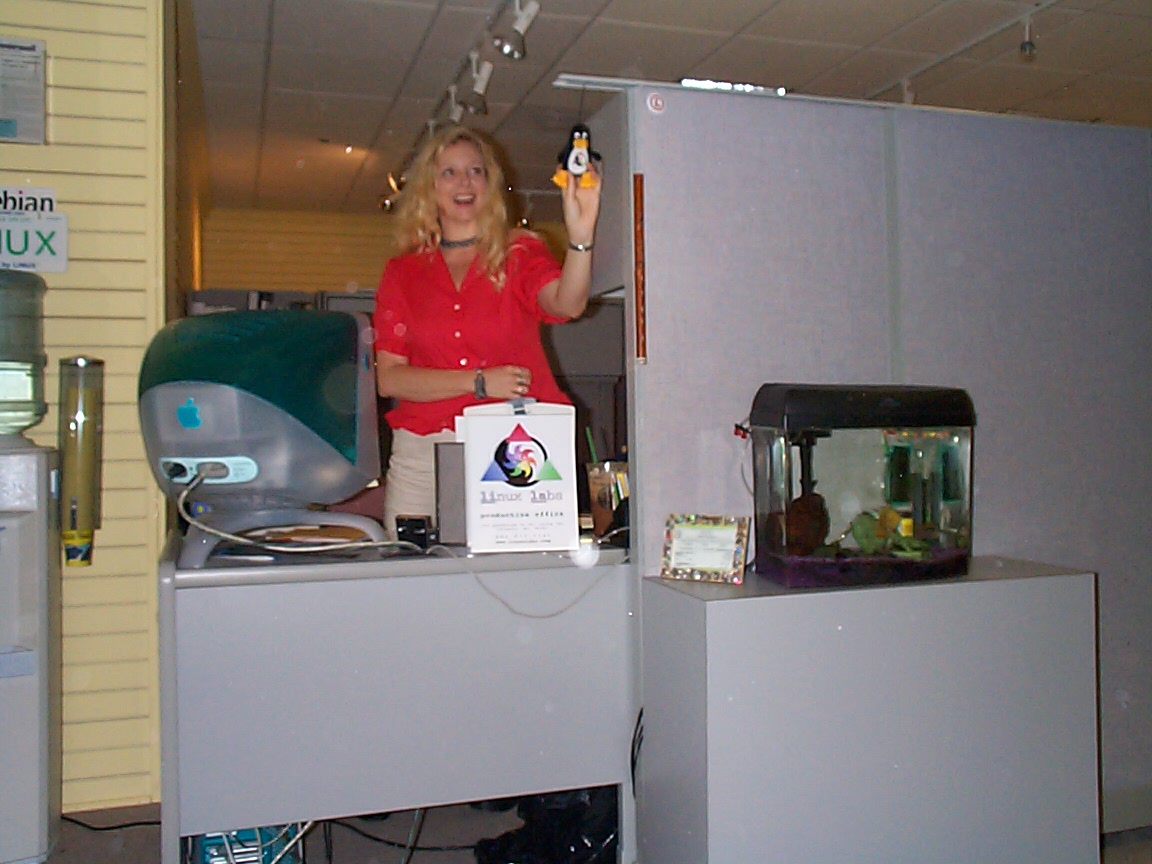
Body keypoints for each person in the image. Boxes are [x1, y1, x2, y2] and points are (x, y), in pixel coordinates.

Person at [372, 124, 602, 538]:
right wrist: (478, 382)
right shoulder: (403, 273)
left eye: (475, 171)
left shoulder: (519, 251)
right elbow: (390, 379)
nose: (464, 182)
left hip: (514, 444)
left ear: (489, 184)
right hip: (424, 450)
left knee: (513, 570)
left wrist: (580, 238)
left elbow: (567, 304)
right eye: (449, 172)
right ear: (429, 187)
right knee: (410, 568)